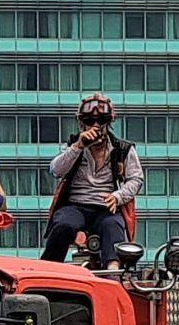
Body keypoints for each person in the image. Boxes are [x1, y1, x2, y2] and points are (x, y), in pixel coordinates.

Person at [44, 95, 144, 267]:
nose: (96, 126)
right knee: (63, 225)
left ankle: (113, 274)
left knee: (113, 227)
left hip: (106, 209)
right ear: (82, 123)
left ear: (109, 122)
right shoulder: (73, 146)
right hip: (75, 206)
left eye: (101, 120)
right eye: (90, 121)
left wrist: (117, 197)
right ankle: (48, 269)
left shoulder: (123, 149)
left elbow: (136, 179)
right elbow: (56, 170)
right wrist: (78, 147)